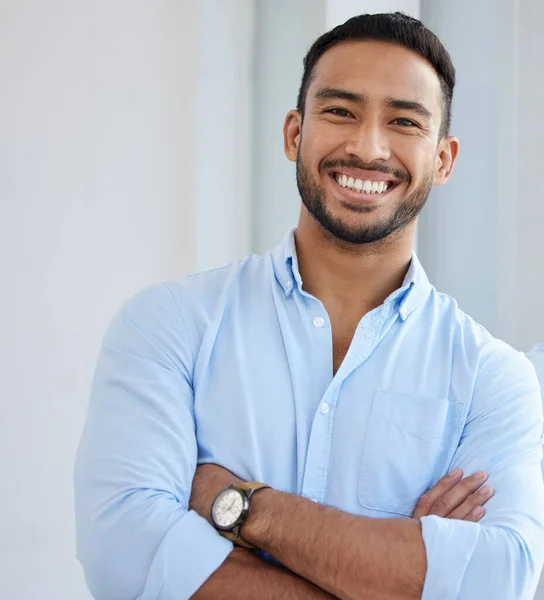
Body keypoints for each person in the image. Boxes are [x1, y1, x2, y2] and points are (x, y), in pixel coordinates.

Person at [74, 12, 544, 600]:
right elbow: (125, 559)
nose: (368, 146)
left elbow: (498, 582)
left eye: (403, 121)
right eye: (340, 111)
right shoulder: (169, 327)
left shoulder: (493, 380)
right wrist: (398, 572)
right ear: (295, 133)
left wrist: (242, 507)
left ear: (443, 160)